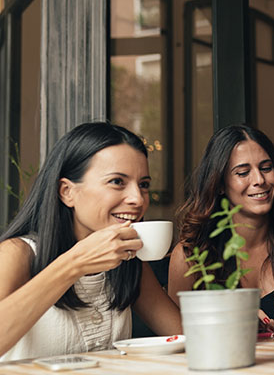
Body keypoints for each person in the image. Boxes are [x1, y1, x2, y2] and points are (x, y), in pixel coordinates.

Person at [0, 122, 182, 361]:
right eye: (117, 181)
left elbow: (183, 336)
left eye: (144, 185)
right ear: (67, 192)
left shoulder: (129, 262)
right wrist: (75, 263)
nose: (137, 199)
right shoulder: (17, 253)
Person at [168, 125, 274, 331]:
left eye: (266, 168)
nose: (259, 180)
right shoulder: (189, 256)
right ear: (219, 184)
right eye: (243, 172)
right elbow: (177, 339)